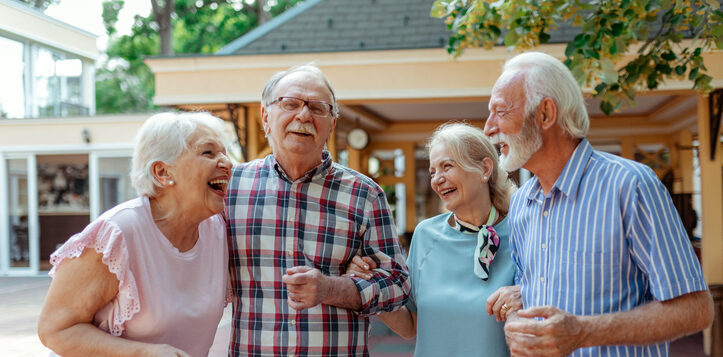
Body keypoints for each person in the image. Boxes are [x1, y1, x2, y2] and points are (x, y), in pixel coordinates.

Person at [483, 51, 714, 356]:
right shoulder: (523, 203)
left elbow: (696, 309)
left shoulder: (630, 185)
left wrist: (582, 332)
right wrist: (519, 306)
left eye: (500, 111)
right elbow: (540, 291)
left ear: (545, 114)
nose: (488, 127)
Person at [225, 64, 410, 356]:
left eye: (318, 107)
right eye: (290, 104)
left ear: (332, 125)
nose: (303, 115)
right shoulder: (231, 189)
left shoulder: (364, 194)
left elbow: (398, 284)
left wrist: (333, 288)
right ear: (265, 117)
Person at [38, 112, 233, 357]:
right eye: (209, 153)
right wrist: (144, 353)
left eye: (225, 153)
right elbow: (55, 329)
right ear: (163, 172)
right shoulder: (117, 234)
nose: (227, 163)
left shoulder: (219, 231)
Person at [347, 122, 521, 356]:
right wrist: (369, 282)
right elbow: (410, 326)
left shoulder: (522, 233)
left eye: (447, 166)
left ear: (485, 169)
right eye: (433, 171)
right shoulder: (425, 234)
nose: (437, 179)